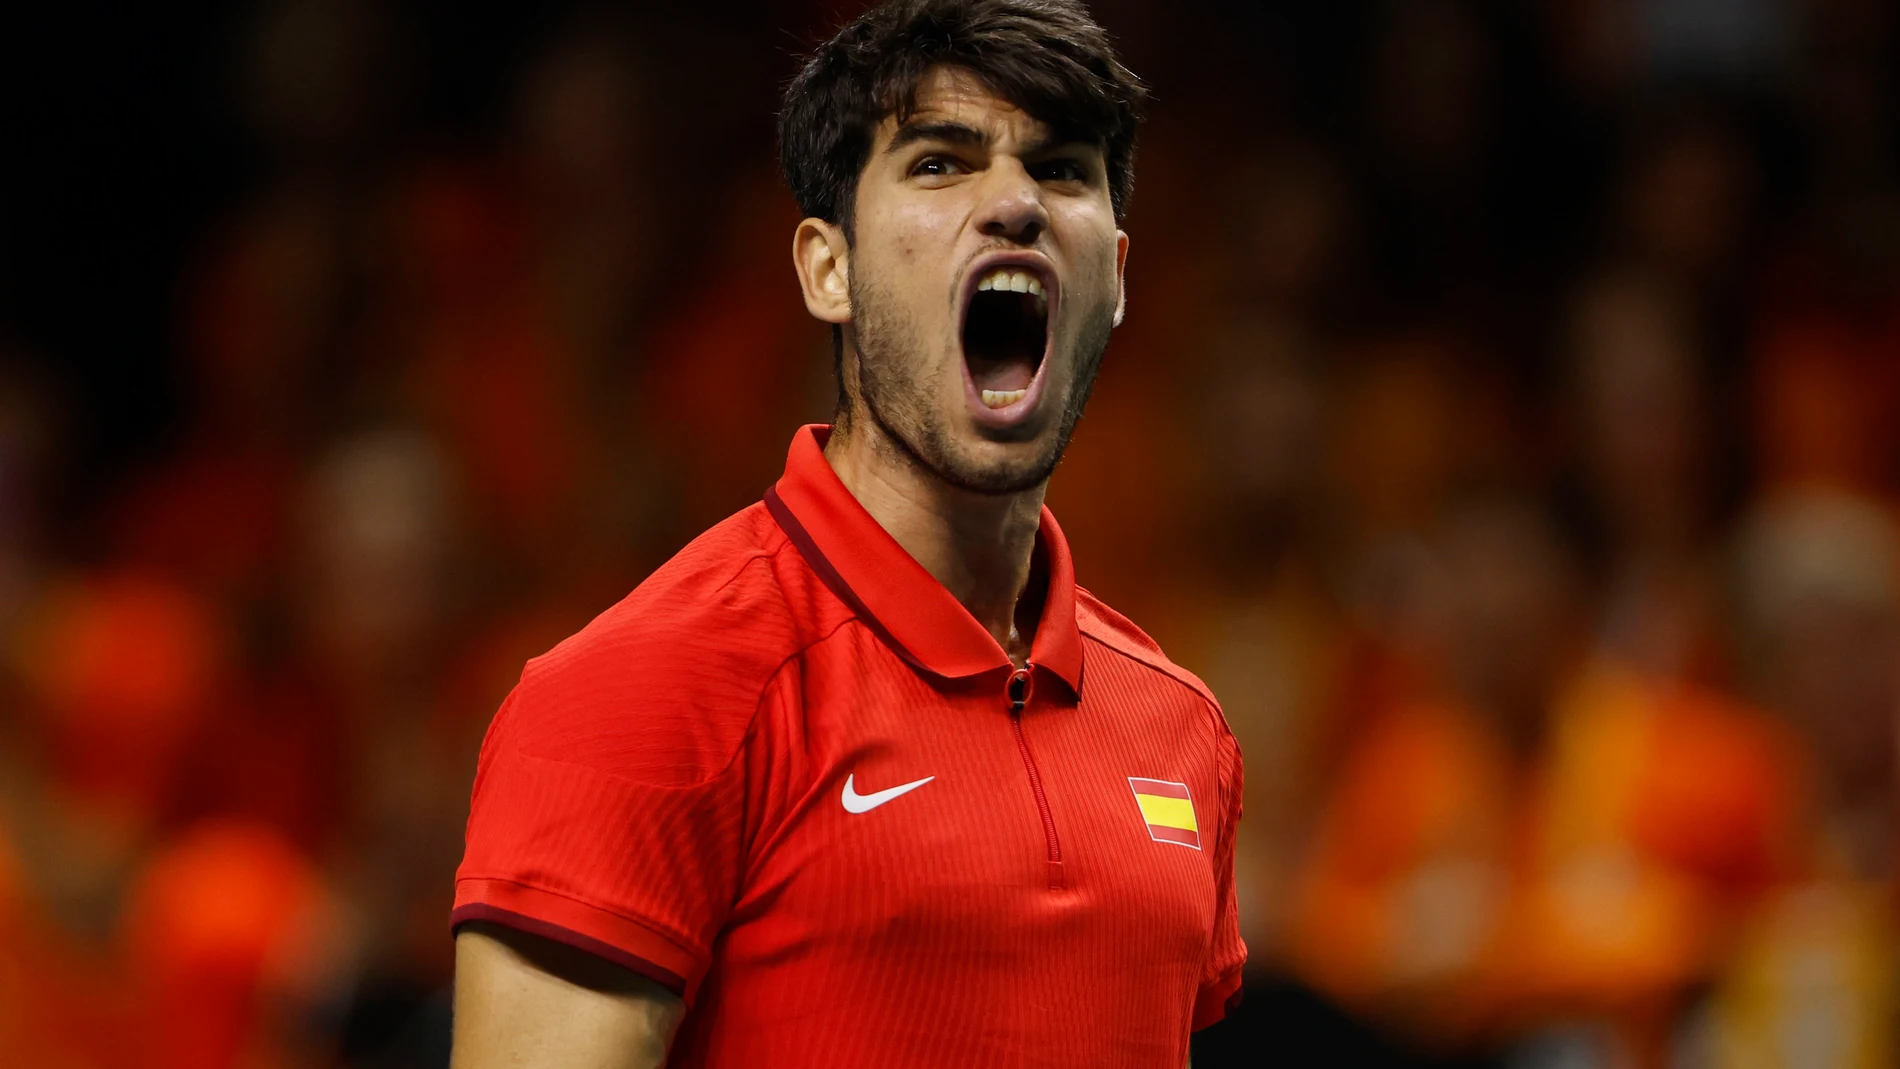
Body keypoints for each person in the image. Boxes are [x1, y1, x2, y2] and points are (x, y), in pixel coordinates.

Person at [447, 1, 1245, 1066]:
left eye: (1060, 170)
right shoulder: (638, 694)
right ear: (828, 269)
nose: (1013, 202)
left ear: (1118, 279)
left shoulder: (1180, 731)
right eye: (939, 164)